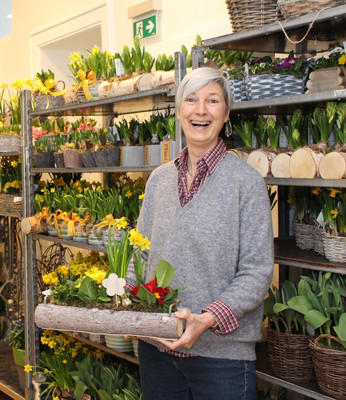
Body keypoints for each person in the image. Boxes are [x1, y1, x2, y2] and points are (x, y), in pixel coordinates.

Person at [136, 66, 274, 400]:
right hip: (157, 350)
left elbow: (257, 272)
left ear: (226, 114)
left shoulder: (247, 184)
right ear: (180, 111)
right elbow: (140, 254)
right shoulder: (159, 180)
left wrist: (209, 318)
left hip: (221, 359)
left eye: (213, 101)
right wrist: (127, 309)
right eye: (192, 100)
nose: (201, 110)